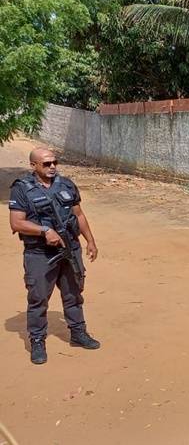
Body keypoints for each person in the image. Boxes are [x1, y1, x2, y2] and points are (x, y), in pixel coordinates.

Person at [8, 147, 100, 365]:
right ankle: (37, 340)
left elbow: (78, 214)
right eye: (46, 164)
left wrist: (90, 241)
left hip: (70, 248)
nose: (52, 167)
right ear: (34, 166)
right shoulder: (22, 189)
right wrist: (44, 231)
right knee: (38, 298)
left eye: (54, 163)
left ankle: (78, 332)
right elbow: (16, 222)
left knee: (74, 293)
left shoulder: (66, 184)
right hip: (40, 253)